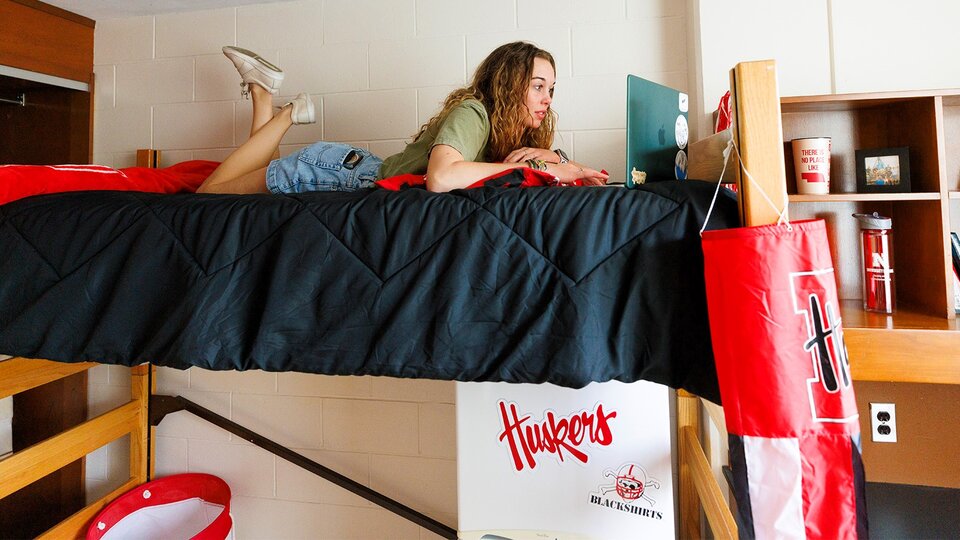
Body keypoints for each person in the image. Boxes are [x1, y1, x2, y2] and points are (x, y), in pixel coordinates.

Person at [197, 42, 609, 195]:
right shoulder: (475, 113)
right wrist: (546, 166)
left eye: (551, 89)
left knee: (258, 182)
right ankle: (289, 111)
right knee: (209, 198)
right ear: (508, 83)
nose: (547, 99)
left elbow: (528, 169)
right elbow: (442, 178)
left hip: (349, 167)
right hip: (334, 173)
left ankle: (262, 92)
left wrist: (558, 162)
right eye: (538, 86)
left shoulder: (507, 129)